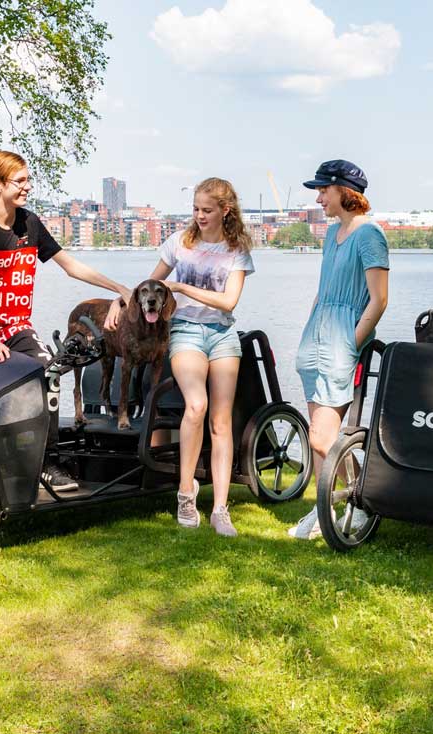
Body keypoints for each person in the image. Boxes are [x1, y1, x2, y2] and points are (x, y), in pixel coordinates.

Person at [0, 150, 132, 491]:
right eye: (20, 181)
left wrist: (118, 288)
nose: (28, 187)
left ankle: (47, 463)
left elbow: (70, 266)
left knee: (49, 372)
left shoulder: (30, 223)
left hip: (15, 327)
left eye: (28, 180)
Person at [104, 178, 254, 536]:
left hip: (222, 335)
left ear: (225, 210)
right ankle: (186, 494)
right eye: (196, 209)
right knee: (196, 406)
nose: (199, 216)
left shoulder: (236, 251)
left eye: (207, 210)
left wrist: (183, 287)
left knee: (221, 422)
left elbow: (229, 302)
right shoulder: (179, 243)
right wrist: (116, 300)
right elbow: (146, 286)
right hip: (186, 331)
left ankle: (220, 509)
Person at [288, 159, 389, 539]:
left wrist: (351, 343)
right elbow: (324, 290)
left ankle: (363, 502)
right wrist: (309, 329)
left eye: (323, 191)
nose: (318, 199)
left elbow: (379, 300)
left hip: (340, 342)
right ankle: (324, 510)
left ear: (345, 192)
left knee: (321, 437)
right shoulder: (332, 234)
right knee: (318, 435)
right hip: (315, 338)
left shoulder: (370, 235)